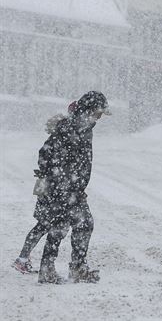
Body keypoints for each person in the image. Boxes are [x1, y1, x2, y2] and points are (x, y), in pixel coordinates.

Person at [35, 91, 111, 284]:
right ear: (89, 109)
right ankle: (48, 270)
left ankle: (76, 268)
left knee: (83, 224)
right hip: (61, 188)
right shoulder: (70, 127)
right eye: (98, 112)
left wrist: (75, 184)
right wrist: (60, 179)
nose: (99, 117)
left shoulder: (85, 128)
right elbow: (45, 153)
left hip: (73, 189)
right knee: (59, 227)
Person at [13, 102, 79, 274]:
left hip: (47, 185)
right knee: (44, 224)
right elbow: (47, 159)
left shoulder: (57, 136)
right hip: (52, 186)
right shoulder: (62, 136)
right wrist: (55, 177)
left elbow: (43, 158)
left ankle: (23, 258)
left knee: (43, 223)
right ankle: (22, 259)